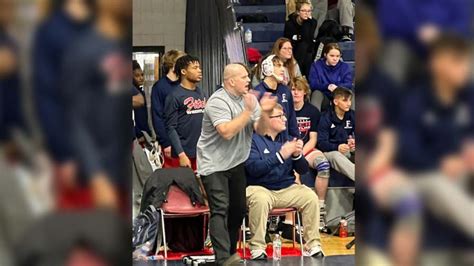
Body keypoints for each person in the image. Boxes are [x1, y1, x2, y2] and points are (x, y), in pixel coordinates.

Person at [196, 63, 277, 265]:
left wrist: (265, 112)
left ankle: (230, 254)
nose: (249, 80)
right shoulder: (217, 101)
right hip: (213, 164)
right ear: (231, 81)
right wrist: (249, 112)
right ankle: (223, 258)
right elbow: (226, 132)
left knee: (238, 209)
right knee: (220, 208)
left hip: (236, 162)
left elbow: (261, 129)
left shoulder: (248, 99)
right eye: (244, 77)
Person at [61, 0, 132, 210]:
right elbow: (75, 117)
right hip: (101, 175)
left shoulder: (126, 44)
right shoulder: (84, 49)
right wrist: (96, 175)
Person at [245, 103, 324, 259]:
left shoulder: (288, 139)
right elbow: (253, 169)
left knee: (310, 197)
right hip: (259, 188)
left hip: (286, 188)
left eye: (284, 115)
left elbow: (303, 170)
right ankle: (257, 247)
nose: (284, 119)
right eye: (279, 116)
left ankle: (313, 245)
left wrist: (297, 155)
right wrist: (280, 156)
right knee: (260, 199)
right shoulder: (252, 140)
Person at [291, 76, 331, 223]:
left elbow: (313, 138)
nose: (295, 93)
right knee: (292, 172)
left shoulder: (312, 111)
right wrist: (294, 153)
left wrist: (301, 152)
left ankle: (320, 208)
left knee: (324, 165)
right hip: (289, 149)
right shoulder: (284, 109)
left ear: (305, 92)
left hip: (307, 149)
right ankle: (296, 214)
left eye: (299, 90)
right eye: (293, 89)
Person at [164, 55, 206, 170]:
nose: (199, 70)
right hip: (183, 154)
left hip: (201, 152)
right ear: (183, 71)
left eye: (199, 67)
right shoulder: (174, 96)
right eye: (195, 68)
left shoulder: (201, 92)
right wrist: (181, 154)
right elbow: (171, 128)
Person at [151, 49, 185, 166]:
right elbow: (158, 117)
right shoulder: (159, 87)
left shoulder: (185, 85)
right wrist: (166, 143)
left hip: (186, 142)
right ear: (174, 64)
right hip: (170, 143)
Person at [254, 55, 300, 140]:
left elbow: (291, 119)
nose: (282, 69)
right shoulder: (257, 93)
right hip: (266, 144)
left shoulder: (285, 90)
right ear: (268, 68)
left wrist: (296, 139)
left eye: (283, 66)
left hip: (285, 142)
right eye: (278, 66)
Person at [317, 87, 355, 181]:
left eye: (350, 100)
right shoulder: (325, 118)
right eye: (345, 100)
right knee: (336, 155)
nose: (349, 103)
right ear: (335, 102)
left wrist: (353, 142)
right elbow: (321, 143)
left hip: (347, 149)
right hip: (330, 151)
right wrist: (337, 147)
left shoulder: (352, 115)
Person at [309, 42, 353, 111]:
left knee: (350, 93)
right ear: (325, 55)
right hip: (324, 97)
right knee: (316, 94)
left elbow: (348, 84)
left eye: (337, 56)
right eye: (332, 56)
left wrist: (337, 87)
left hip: (340, 96)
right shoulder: (316, 65)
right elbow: (313, 84)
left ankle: (353, 119)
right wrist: (327, 86)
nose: (335, 59)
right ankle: (315, 119)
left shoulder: (344, 66)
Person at [284, 1, 317, 77]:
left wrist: (307, 22)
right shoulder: (290, 23)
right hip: (293, 49)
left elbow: (307, 38)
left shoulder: (312, 22)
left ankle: (303, 77)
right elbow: (288, 40)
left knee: (306, 49)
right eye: (304, 11)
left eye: (309, 11)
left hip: (307, 50)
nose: (307, 13)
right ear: (298, 12)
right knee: (303, 47)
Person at [132, 60, 151, 143]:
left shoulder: (141, 92)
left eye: (142, 75)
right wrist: (138, 134)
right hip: (136, 136)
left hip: (144, 134)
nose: (141, 78)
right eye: (137, 76)